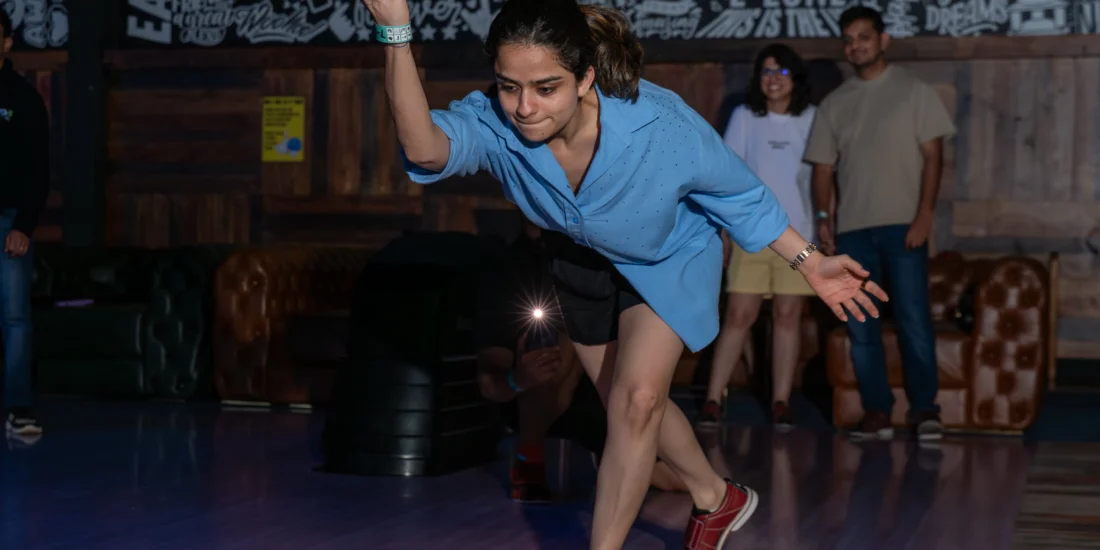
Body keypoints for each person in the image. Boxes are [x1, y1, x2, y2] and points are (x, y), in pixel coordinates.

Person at [361, 0, 889, 547]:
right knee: (628, 401)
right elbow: (425, 151)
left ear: (585, 79)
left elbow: (741, 196)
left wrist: (811, 262)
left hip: (669, 256)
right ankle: (715, 496)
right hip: (580, 259)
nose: (524, 107)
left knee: (636, 403)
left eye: (546, 88)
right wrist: (396, 35)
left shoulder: (659, 123)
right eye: (509, 86)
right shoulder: (496, 121)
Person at [804, 6, 955, 442]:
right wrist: (823, 218)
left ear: (883, 40)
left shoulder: (914, 90)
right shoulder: (835, 103)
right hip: (853, 233)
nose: (856, 46)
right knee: (861, 326)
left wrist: (925, 215)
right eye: (849, 39)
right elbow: (823, 170)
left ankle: (925, 410)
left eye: (864, 37)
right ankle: (877, 412)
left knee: (913, 321)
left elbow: (934, 157)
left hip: (904, 227)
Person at [476, 219, 686, 502]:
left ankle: (720, 493)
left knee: (675, 477)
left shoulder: (595, 260)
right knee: (554, 344)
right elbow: (489, 382)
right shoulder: (508, 270)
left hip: (596, 392)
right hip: (532, 397)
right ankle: (528, 461)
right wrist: (519, 379)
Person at [697, 44, 818, 432]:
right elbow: (726, 175)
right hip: (751, 233)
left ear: (794, 78)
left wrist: (824, 227)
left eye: (780, 72)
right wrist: (723, 231)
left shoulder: (812, 117)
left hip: (799, 235)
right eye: (766, 72)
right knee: (739, 316)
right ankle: (713, 398)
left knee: (787, 317)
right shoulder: (745, 116)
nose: (772, 79)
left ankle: (781, 401)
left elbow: (822, 177)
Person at [0, 10, 49, 438]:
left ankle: (18, 409)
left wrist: (25, 226)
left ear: (6, 43)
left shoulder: (23, 98)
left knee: (15, 318)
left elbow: (38, 170)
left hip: (8, 221)